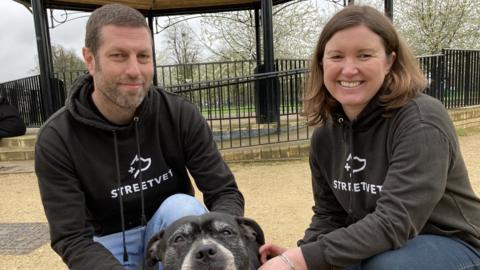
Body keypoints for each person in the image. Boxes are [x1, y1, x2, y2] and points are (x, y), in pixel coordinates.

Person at [259, 5, 480, 270]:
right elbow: (331, 215)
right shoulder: (324, 134)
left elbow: (394, 221)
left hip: (454, 243)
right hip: (380, 243)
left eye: (365, 55)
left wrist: (298, 260)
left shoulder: (421, 120)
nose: (349, 69)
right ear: (322, 63)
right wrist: (302, 254)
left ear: (389, 61)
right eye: (336, 56)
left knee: (386, 266)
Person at [34, 3, 244, 270]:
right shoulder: (57, 138)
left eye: (143, 56)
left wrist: (223, 239)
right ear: (90, 60)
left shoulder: (179, 113)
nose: (135, 70)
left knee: (182, 206)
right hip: (106, 243)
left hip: (171, 232)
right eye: (119, 56)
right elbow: (72, 238)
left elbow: (224, 191)